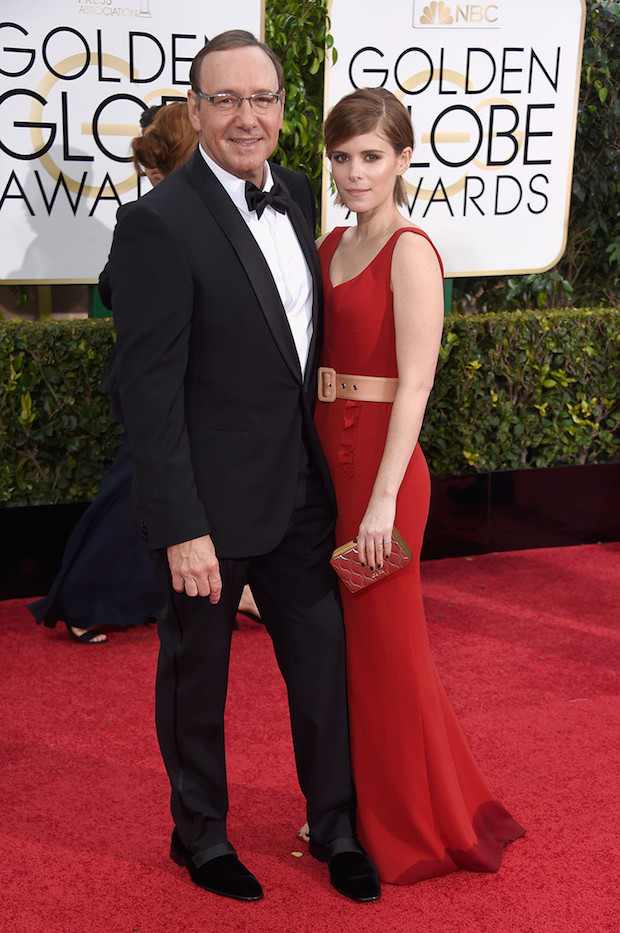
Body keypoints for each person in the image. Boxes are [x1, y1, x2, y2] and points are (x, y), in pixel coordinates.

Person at [104, 31, 380, 903]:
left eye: (261, 99)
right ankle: (201, 834)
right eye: (225, 100)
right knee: (198, 677)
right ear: (195, 111)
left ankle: (333, 825)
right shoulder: (156, 222)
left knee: (324, 667)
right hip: (208, 510)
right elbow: (146, 393)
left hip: (299, 491)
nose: (246, 116)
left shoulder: (298, 194)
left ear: (282, 110)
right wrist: (181, 525)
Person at [306, 87, 525, 883]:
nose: (354, 171)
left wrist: (384, 498)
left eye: (370, 156)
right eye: (342, 157)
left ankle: (406, 822)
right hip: (327, 459)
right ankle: (352, 807)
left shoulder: (411, 249)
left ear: (402, 159)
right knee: (339, 654)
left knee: (388, 651)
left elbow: (418, 384)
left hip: (383, 473)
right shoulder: (329, 245)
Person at [29, 103, 198, 644]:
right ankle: (79, 598)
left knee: (165, 494)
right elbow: (113, 289)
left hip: (189, 383)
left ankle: (199, 592)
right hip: (157, 386)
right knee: (133, 495)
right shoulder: (152, 216)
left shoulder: (176, 210)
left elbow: (108, 287)